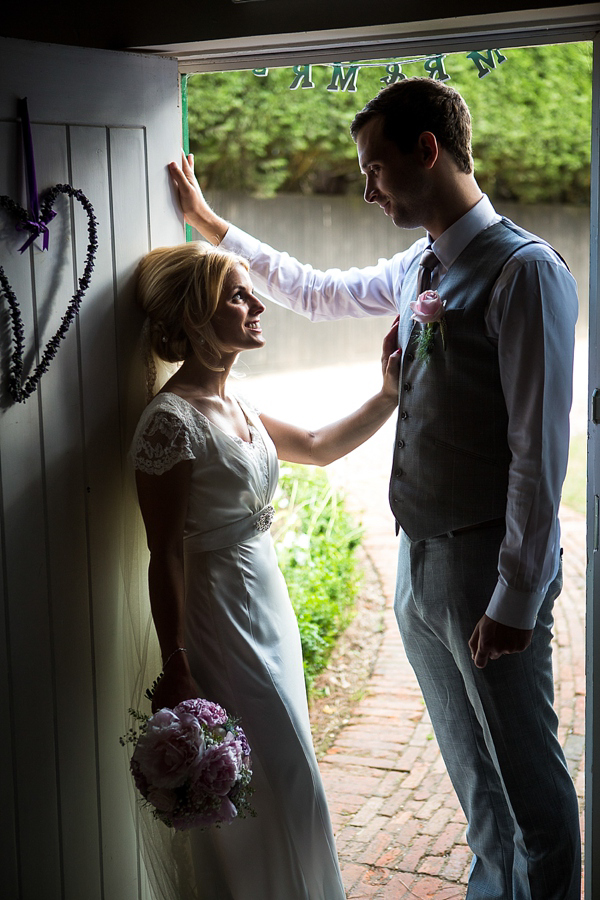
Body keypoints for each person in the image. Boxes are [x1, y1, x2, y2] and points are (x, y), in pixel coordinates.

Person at [167, 76, 582, 900]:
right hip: (417, 563)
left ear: (427, 151)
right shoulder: (417, 264)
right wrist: (216, 230)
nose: (366, 188)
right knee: (474, 782)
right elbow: (317, 290)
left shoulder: (525, 273)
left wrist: (514, 597)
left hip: (483, 569)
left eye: (375, 169)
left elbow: (539, 457)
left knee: (530, 785)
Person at [130, 239, 401, 900]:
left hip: (267, 605)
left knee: (285, 782)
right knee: (282, 783)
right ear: (197, 316)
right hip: (218, 617)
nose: (257, 305)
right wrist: (177, 665)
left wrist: (390, 392)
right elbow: (162, 553)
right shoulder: (170, 422)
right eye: (238, 296)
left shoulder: (238, 403)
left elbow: (316, 446)